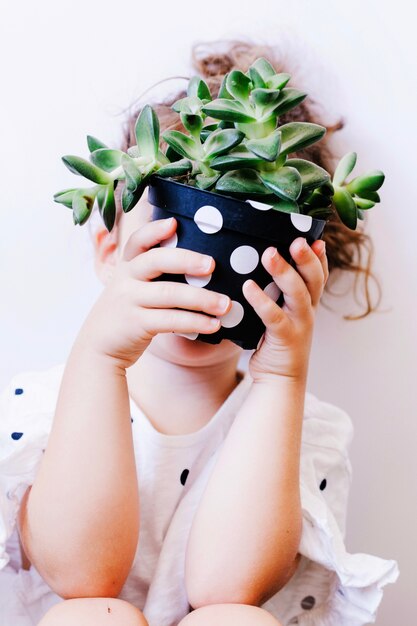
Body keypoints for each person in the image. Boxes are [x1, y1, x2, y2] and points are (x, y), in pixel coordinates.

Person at [0, 40, 399, 626]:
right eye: (175, 235)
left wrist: (280, 376)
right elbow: (81, 577)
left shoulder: (308, 432)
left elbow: (228, 588)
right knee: (85, 615)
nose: (203, 269)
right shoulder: (40, 411)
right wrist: (100, 356)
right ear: (111, 248)